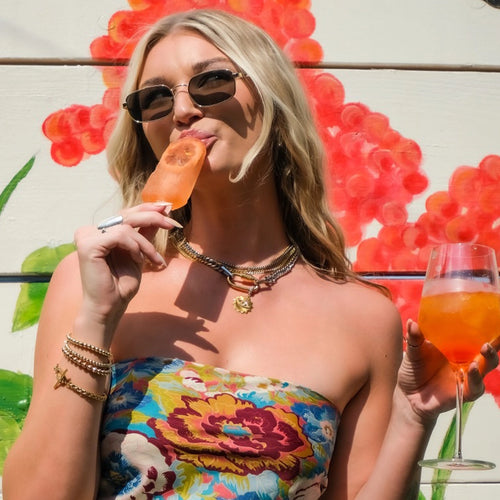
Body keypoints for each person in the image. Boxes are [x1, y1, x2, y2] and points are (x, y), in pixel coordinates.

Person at [3, 8, 499, 500]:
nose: (181, 112)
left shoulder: (365, 317)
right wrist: (95, 320)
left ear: (270, 96)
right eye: (155, 97)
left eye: (211, 81)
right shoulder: (96, 281)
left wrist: (413, 417)